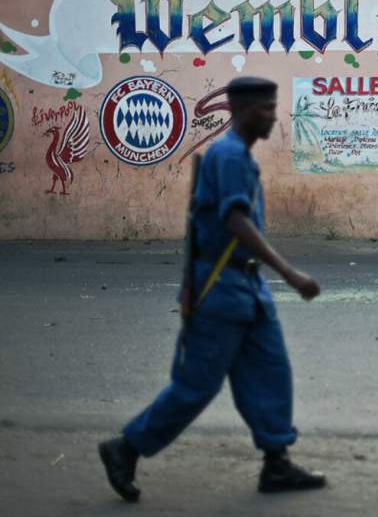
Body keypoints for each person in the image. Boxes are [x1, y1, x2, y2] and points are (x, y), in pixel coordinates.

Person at [98, 77, 327, 502]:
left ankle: (276, 461)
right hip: (221, 287)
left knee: (270, 371)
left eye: (274, 106)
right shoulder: (229, 157)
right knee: (197, 385)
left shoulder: (236, 154)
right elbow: (235, 221)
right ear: (240, 109)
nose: (273, 117)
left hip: (246, 285)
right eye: (265, 108)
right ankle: (126, 448)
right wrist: (290, 273)